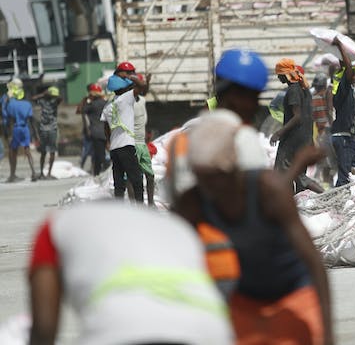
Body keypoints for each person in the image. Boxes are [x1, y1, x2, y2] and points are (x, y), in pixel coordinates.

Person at [170, 92, 333, 341]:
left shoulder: (268, 190)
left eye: (214, 179)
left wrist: (329, 335)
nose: (207, 188)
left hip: (294, 295)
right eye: (200, 178)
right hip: (245, 300)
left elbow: (314, 264)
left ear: (233, 170)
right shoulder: (196, 200)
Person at [28, 200, 234, 345]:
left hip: (122, 328)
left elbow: (44, 328)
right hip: (209, 329)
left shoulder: (55, 225)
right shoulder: (174, 227)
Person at [271, 59, 321, 194]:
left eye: (279, 74)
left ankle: (325, 194)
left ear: (286, 74)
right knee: (297, 176)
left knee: (288, 173)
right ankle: (299, 204)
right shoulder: (304, 90)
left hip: (293, 141)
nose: (278, 77)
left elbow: (297, 117)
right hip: (305, 139)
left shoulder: (293, 90)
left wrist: (278, 133)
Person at [101, 61, 146, 202]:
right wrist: (132, 77)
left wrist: (108, 141)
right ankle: (140, 208)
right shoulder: (126, 98)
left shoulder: (108, 105)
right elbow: (142, 86)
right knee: (137, 180)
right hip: (127, 145)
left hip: (114, 148)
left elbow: (106, 127)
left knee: (119, 183)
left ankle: (119, 209)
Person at [330, 37, 355, 187]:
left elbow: (347, 67)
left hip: (350, 136)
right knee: (344, 176)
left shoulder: (352, 89)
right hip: (342, 137)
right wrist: (341, 46)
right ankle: (336, 205)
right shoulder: (343, 90)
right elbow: (347, 68)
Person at [133, 73, 156, 206]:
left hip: (142, 143)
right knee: (134, 177)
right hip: (132, 143)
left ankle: (151, 203)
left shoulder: (141, 100)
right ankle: (136, 204)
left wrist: (147, 81)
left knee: (150, 175)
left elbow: (145, 91)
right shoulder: (127, 101)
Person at [6, 87, 37, 183]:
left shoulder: (11, 104)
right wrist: (35, 133)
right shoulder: (27, 104)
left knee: (13, 151)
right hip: (25, 128)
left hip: (16, 128)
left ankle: (12, 175)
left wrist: (9, 134)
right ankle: (33, 173)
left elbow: (10, 120)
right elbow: (31, 119)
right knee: (27, 151)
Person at [31, 86, 63, 180]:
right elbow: (33, 99)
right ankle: (41, 173)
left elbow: (60, 98)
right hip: (43, 129)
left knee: (52, 151)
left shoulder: (55, 101)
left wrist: (53, 94)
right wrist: (44, 94)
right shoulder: (42, 101)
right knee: (43, 152)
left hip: (52, 128)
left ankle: (49, 173)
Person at [81, 83, 108, 176]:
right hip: (107, 132)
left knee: (99, 156)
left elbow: (81, 110)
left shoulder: (92, 105)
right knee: (101, 154)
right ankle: (99, 172)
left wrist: (87, 100)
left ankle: (101, 172)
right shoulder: (105, 103)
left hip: (96, 133)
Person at [75, 84, 96, 172]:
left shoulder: (96, 100)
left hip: (95, 128)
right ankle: (81, 166)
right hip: (88, 128)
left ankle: (93, 168)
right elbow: (80, 111)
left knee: (94, 150)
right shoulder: (85, 101)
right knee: (86, 150)